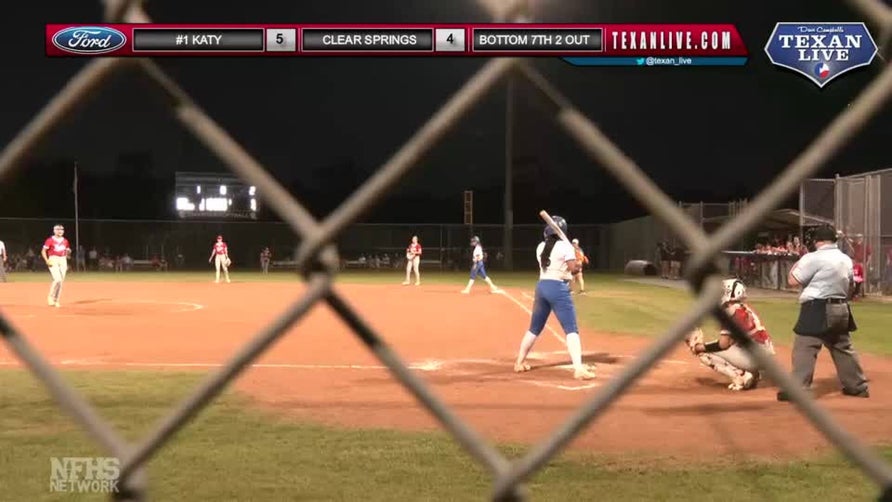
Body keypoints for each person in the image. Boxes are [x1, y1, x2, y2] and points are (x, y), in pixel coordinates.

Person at [780, 225, 869, 401]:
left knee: (805, 348)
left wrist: (799, 260)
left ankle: (798, 390)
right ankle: (857, 387)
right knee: (842, 347)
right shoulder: (845, 259)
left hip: (817, 307)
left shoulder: (812, 258)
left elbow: (792, 280)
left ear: (817, 241)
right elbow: (851, 285)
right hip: (841, 307)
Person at [513, 216, 596, 380]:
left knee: (534, 328)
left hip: (542, 287)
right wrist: (578, 263)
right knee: (571, 329)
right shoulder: (565, 246)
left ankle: (519, 362)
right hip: (558, 288)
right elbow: (573, 270)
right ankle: (578, 369)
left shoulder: (540, 247)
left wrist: (573, 257)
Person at [685, 279, 776, 391]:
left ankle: (741, 375)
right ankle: (754, 374)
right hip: (767, 357)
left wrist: (699, 347)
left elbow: (723, 344)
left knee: (705, 352)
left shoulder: (730, 312)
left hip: (753, 358)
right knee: (731, 345)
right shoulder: (745, 308)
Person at [40, 224, 71, 307]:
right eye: (58, 229)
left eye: (61, 229)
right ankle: (50, 297)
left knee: (61, 281)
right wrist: (47, 260)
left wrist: (68, 254)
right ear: (54, 231)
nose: (60, 231)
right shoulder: (50, 240)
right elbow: (43, 251)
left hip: (63, 259)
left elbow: (67, 252)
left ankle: (56, 300)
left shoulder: (65, 241)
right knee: (57, 279)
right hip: (53, 259)